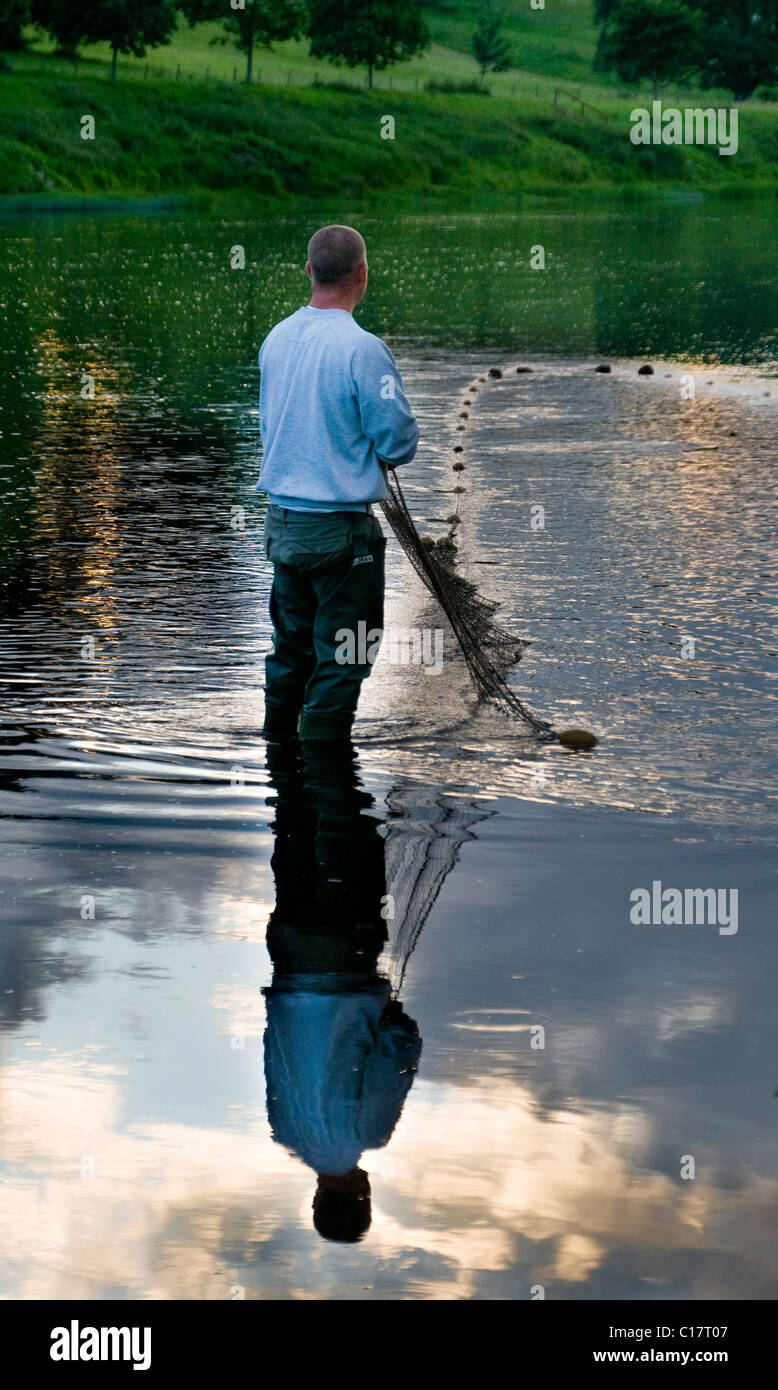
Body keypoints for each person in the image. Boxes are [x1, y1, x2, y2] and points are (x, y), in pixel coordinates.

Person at [256, 225, 419, 743]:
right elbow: (397, 445)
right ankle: (326, 771)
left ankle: (280, 759)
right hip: (341, 537)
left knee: (291, 652)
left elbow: (273, 429)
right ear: (362, 275)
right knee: (347, 655)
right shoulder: (362, 349)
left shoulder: (277, 338)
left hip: (283, 528)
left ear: (309, 272)